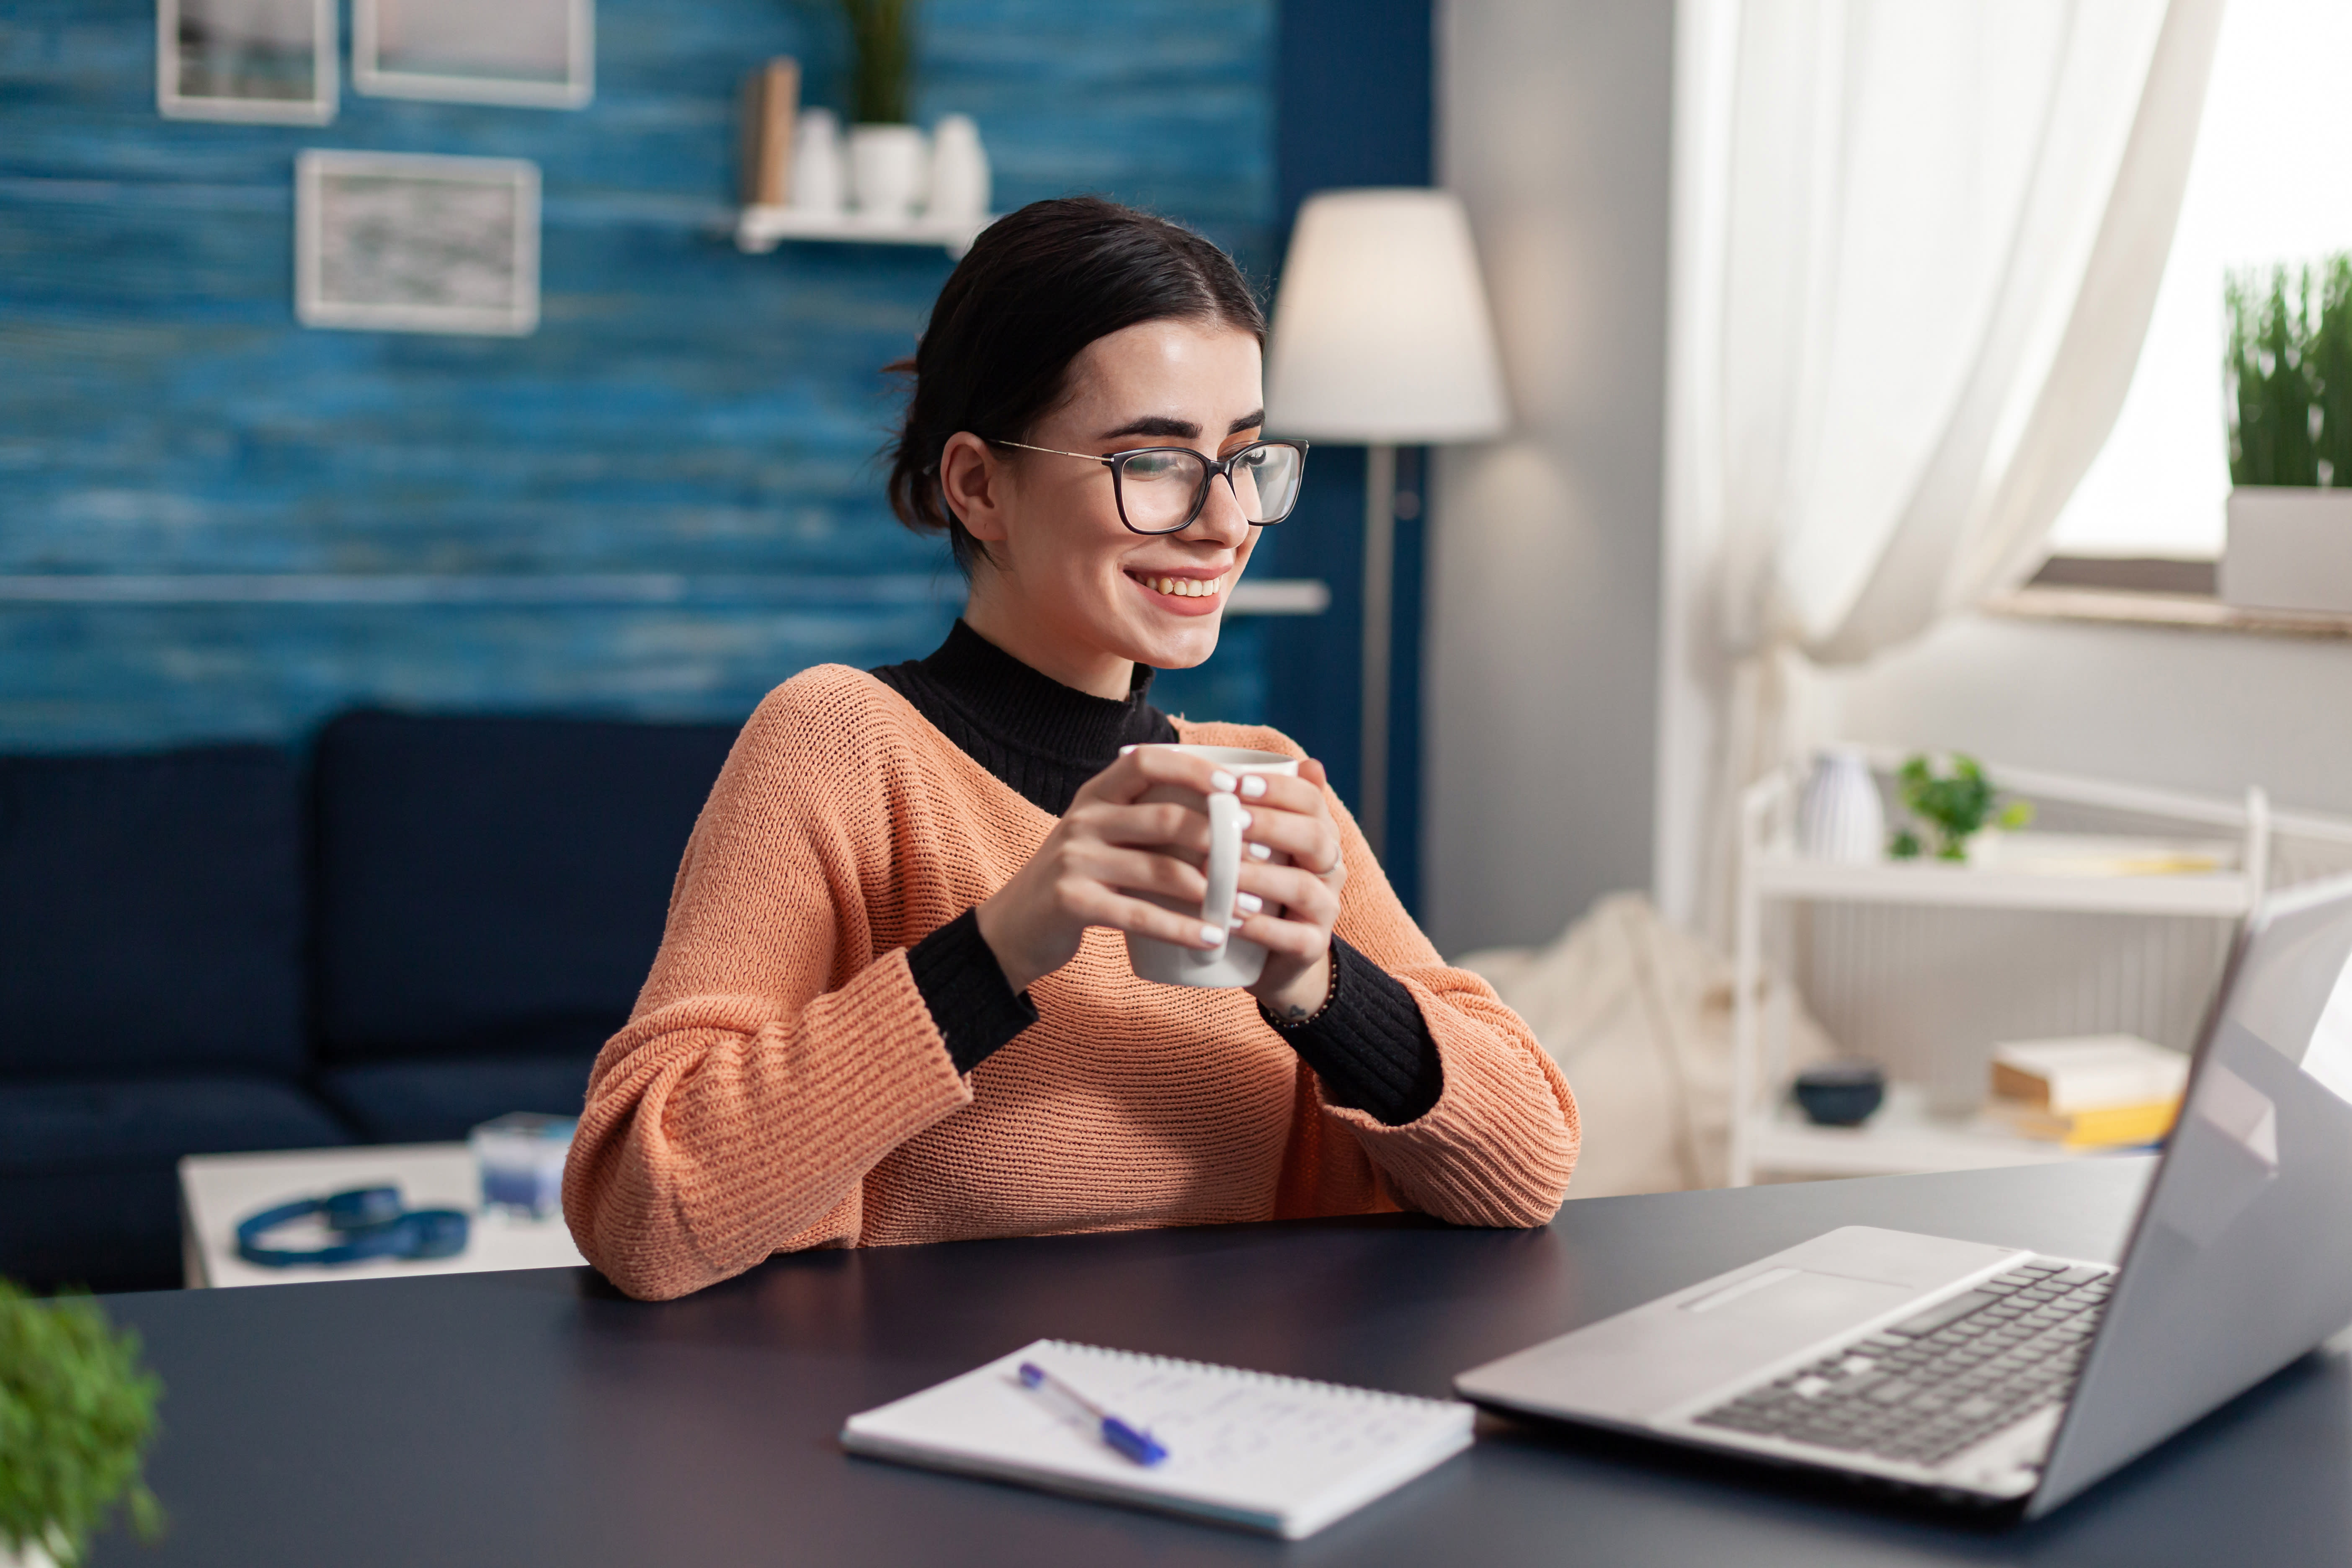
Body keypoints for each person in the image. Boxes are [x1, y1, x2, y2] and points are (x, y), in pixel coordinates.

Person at [563, 196, 1579, 1301]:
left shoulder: (1262, 777)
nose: (1225, 524)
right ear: (978, 486)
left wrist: (1321, 983)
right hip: (930, 1441)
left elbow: (1528, 1171)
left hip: (1243, 1436)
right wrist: (999, 947)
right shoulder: (842, 745)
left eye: (1241, 459)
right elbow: (645, 1215)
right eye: (1151, 462)